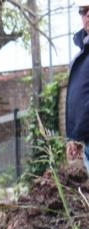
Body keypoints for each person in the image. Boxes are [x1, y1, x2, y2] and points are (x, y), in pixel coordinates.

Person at [66, 0, 89, 173]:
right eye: (83, 10)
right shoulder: (81, 57)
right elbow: (77, 99)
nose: (87, 14)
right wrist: (73, 136)